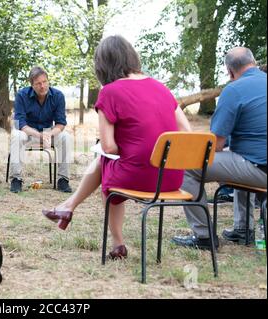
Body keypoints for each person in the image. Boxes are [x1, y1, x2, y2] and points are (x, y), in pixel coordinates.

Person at [42, 35, 191, 259]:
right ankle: (68, 207)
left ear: (103, 65)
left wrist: (133, 148)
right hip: (171, 177)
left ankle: (116, 242)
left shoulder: (110, 92)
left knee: (104, 161)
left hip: (138, 177)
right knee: (106, 162)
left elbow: (109, 147)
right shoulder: (161, 88)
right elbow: (186, 133)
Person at [172, 47, 267, 249]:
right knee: (241, 155)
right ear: (254, 63)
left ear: (230, 72)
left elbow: (215, 144)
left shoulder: (234, 90)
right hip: (256, 162)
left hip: (260, 169)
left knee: (189, 166)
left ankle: (204, 237)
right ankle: (242, 230)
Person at [10, 66, 73, 193]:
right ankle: (16, 179)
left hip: (49, 132)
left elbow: (61, 123)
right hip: (27, 132)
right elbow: (20, 123)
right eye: (38, 83)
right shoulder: (22, 95)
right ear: (32, 85)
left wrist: (48, 134)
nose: (42, 86)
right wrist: (40, 135)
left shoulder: (58, 96)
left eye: (45, 82)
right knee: (16, 135)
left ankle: (63, 180)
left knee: (66, 137)